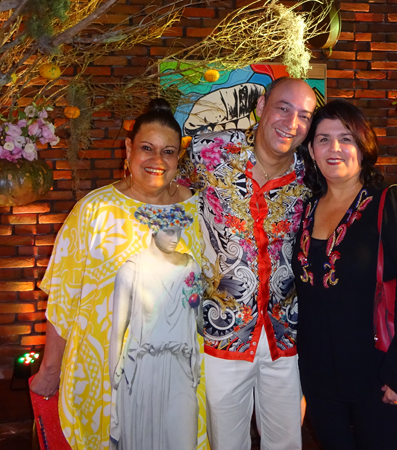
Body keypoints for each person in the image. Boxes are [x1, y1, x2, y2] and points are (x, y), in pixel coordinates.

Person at [30, 99, 208, 450]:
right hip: (106, 377)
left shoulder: (199, 212)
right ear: (128, 150)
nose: (157, 160)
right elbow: (64, 298)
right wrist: (50, 370)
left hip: (179, 374)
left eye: (168, 151)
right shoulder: (94, 211)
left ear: (179, 158)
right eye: (147, 148)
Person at [292, 99, 397, 449]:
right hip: (321, 381)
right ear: (311, 150)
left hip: (381, 378)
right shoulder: (305, 209)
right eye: (323, 139)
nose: (334, 148)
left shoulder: (393, 204)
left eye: (346, 138)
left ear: (363, 146)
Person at [179, 77, 317, 450]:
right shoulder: (208, 153)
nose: (291, 123)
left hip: (286, 336)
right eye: (283, 108)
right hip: (222, 333)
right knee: (226, 443)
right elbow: (169, 198)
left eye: (304, 116)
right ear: (260, 107)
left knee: (286, 442)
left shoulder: (312, 174)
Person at [109, 205, 203, 450]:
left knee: (183, 439)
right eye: (169, 231)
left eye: (179, 231)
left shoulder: (190, 267)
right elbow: (117, 330)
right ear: (153, 228)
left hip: (179, 366)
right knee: (142, 441)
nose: (175, 238)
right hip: (142, 366)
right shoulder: (132, 270)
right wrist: (114, 378)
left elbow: (200, 322)